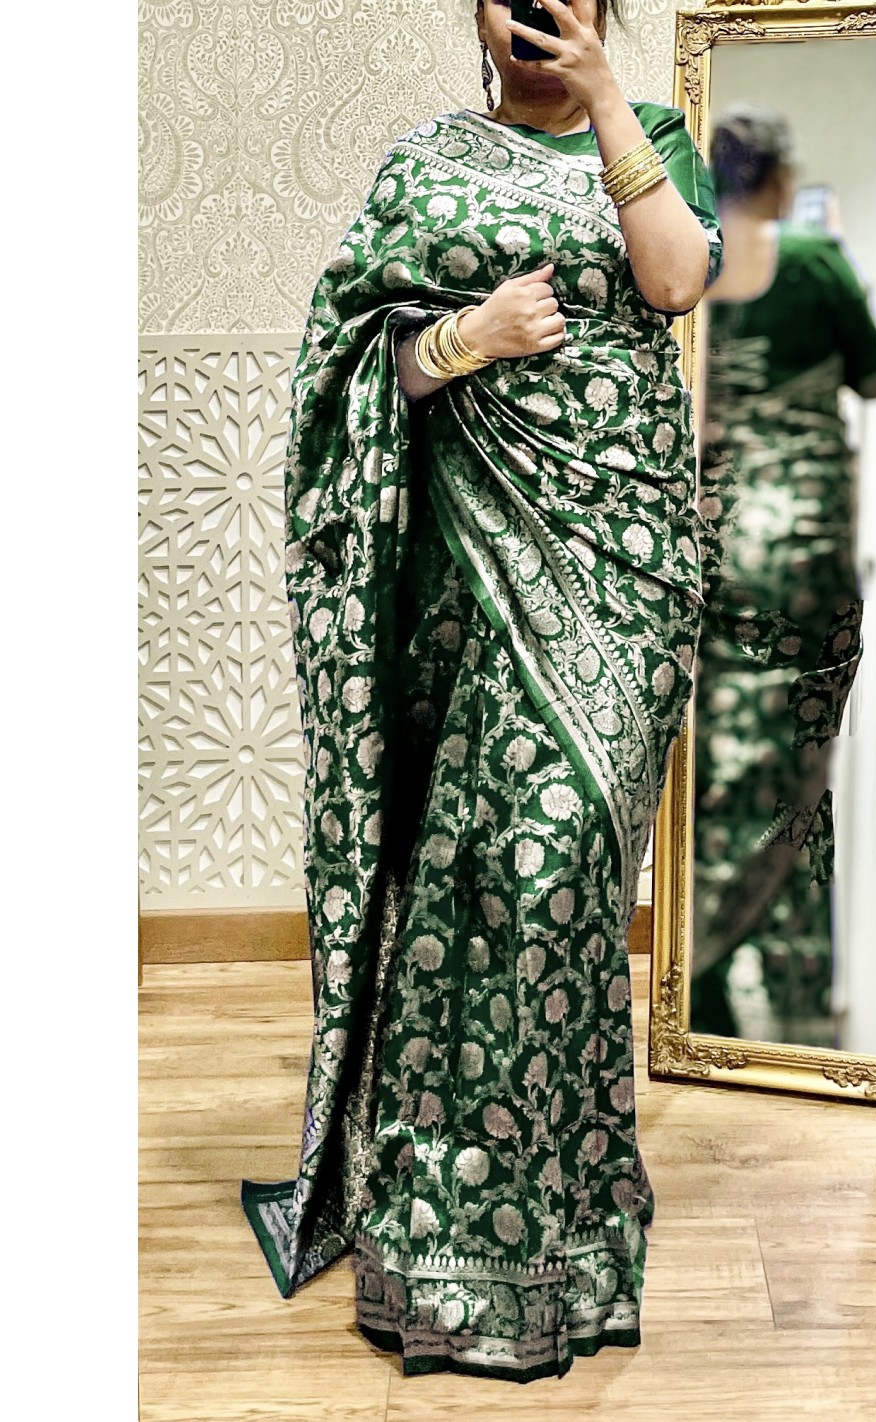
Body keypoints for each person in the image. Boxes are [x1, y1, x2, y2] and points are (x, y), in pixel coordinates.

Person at [240, 0, 723, 1383]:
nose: (535, 13)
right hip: (468, 583)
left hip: (625, 567)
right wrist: (469, 337)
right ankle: (456, 1218)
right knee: (472, 878)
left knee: (560, 870)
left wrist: (610, 97)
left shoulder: (657, 136)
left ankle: (563, 1202)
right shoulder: (424, 165)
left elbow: (675, 283)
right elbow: (354, 369)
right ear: (479, 14)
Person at [690, 103, 876, 1047]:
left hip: (716, 547)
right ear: (776, 179)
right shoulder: (810, 259)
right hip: (806, 552)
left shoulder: (690, 262)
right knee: (801, 773)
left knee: (726, 772)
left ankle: (706, 978)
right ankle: (787, 989)